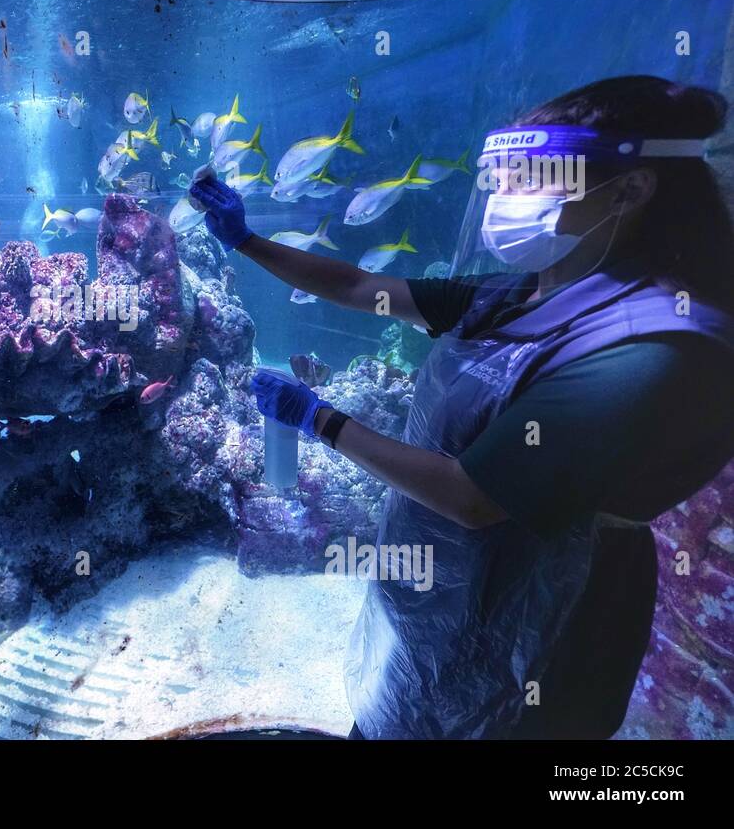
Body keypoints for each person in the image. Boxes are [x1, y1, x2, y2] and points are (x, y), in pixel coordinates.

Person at [190, 76, 734, 739]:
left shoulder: (653, 347)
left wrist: (318, 418)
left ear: (630, 188)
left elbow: (471, 497)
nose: (510, 197)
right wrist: (245, 242)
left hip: (549, 620)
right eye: (503, 176)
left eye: (536, 176)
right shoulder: (520, 294)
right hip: (445, 596)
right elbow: (366, 287)